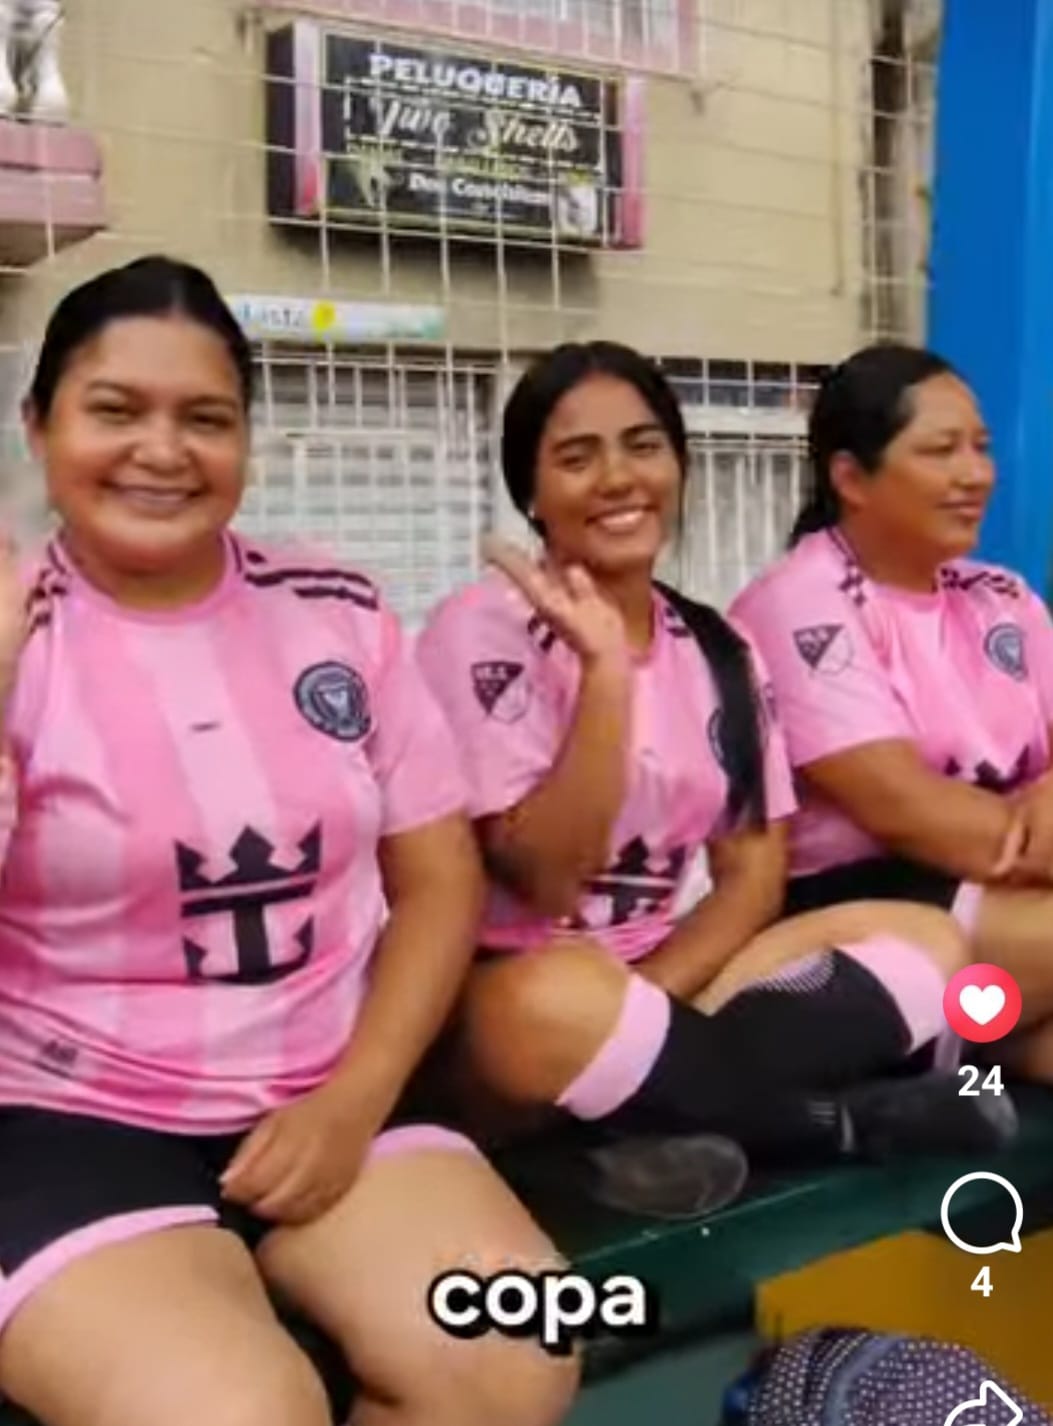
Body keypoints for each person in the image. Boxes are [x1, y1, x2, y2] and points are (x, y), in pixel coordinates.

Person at [0, 256, 579, 1426]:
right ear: (37, 425)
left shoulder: (335, 611)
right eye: (115, 409)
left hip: (326, 1089)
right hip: (62, 1113)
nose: (162, 450)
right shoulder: (16, 630)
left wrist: (358, 1092)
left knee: (517, 1345)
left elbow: (438, 882)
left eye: (205, 418)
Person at [416, 340, 1013, 1199]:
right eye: (576, 459)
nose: (618, 478)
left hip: (669, 986)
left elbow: (751, 876)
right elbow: (545, 881)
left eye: (643, 446)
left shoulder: (716, 647)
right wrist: (605, 681)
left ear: (677, 466)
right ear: (532, 495)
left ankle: (653, 1114)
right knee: (555, 997)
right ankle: (835, 1125)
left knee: (930, 942)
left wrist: (656, 1006)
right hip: (519, 1002)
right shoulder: (479, 631)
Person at [730, 342, 1053, 1081]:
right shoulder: (799, 603)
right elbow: (907, 812)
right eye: (940, 451)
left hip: (1005, 889)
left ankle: (969, 1054)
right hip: (863, 900)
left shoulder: (1002, 597)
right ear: (850, 478)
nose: (974, 473)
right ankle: (939, 1045)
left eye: (980, 447)